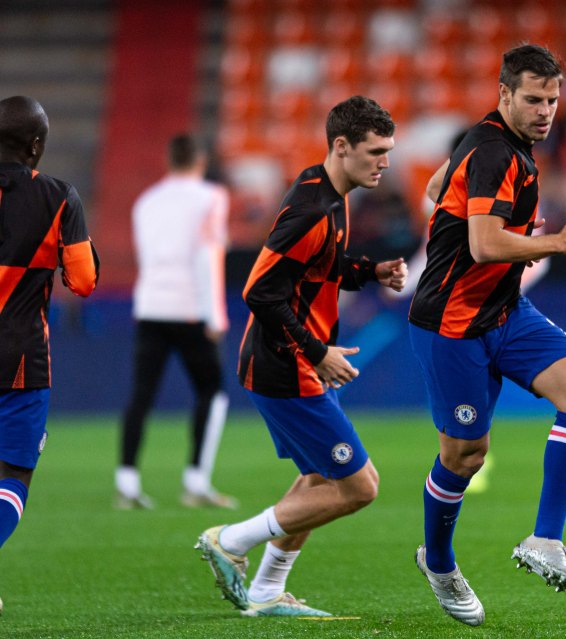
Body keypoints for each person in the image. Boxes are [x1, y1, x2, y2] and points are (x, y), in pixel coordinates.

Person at [408, 44, 566, 626]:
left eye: (552, 99)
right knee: (465, 455)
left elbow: (435, 190)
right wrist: (555, 242)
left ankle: (545, 539)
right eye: (533, 99)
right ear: (504, 95)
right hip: (451, 323)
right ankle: (438, 561)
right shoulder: (495, 152)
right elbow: (484, 245)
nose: (546, 110)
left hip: (503, 309)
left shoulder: (493, 141)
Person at [195, 96, 407, 618]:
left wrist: (368, 272)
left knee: (319, 479)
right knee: (360, 486)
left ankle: (267, 592)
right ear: (341, 145)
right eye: (376, 151)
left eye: (389, 151)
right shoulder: (314, 207)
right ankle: (230, 539)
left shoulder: (330, 192)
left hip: (292, 364)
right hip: (286, 367)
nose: (385, 162)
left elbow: (318, 269)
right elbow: (259, 291)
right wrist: (317, 351)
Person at [0, 95, 99, 613]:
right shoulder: (59, 197)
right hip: (19, 363)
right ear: (36, 145)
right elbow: (83, 282)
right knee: (12, 479)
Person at [116, 134, 235, 510]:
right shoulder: (211, 198)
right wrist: (215, 314)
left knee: (141, 393)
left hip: (150, 304)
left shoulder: (146, 201)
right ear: (199, 160)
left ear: (169, 160)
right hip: (190, 309)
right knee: (211, 391)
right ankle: (196, 480)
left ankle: (127, 479)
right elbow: (207, 255)